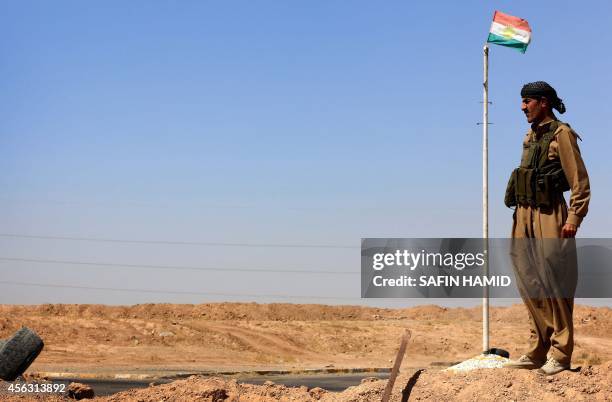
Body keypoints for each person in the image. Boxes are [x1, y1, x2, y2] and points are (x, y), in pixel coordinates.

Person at [502, 81, 591, 375]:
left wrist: (573, 218)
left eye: (527, 101)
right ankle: (539, 348)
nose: (522, 107)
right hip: (523, 214)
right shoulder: (530, 135)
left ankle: (561, 353)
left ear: (543, 102)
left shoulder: (562, 134)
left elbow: (579, 180)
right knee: (529, 282)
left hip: (550, 213)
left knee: (556, 281)